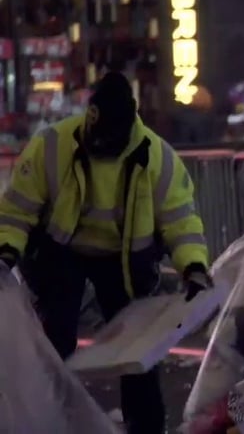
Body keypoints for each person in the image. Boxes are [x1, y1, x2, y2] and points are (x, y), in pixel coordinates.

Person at [0, 71, 212, 434]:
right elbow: (18, 210)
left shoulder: (156, 157)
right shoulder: (52, 145)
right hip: (62, 252)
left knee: (137, 352)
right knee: (56, 340)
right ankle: (53, 420)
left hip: (123, 259)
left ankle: (143, 426)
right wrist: (7, 251)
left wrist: (193, 265)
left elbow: (180, 221)